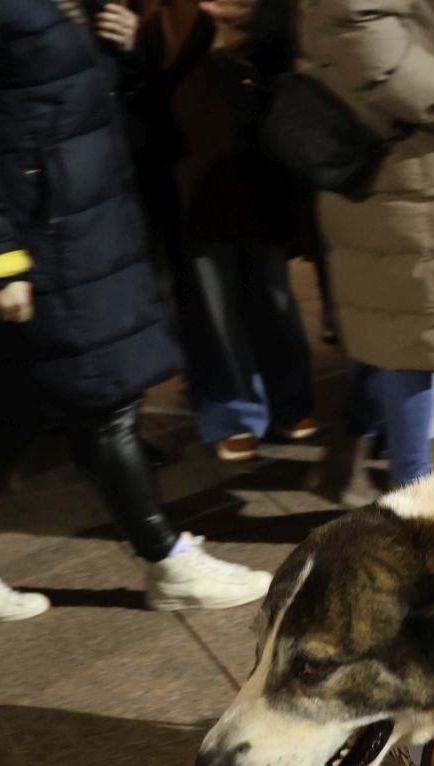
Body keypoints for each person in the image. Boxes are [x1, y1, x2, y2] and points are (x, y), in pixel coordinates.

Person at [0, 0, 271, 620]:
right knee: (101, 395)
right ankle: (168, 562)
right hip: (37, 227)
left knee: (7, 402)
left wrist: (113, 48)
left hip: (73, 212)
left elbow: (45, 87)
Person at [302, 0, 434, 485]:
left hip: (422, 165)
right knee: (412, 333)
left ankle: (353, 435)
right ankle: (413, 490)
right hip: (406, 171)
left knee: (391, 323)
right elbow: (363, 33)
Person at [131, 0, 318, 465]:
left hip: (256, 137)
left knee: (271, 286)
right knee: (209, 291)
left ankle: (290, 401)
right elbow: (146, 64)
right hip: (189, 148)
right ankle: (231, 413)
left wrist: (260, 19)